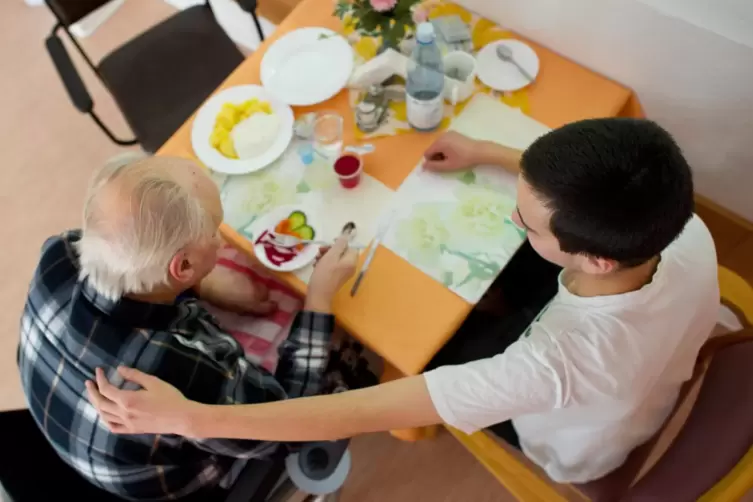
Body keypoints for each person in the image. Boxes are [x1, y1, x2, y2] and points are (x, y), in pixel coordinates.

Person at [86, 118, 719, 484]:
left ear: (595, 257)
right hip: (660, 352)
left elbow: (355, 411)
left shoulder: (549, 367)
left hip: (576, 444)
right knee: (504, 283)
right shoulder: (680, 223)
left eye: (527, 222)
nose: (516, 220)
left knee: (436, 344)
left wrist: (193, 418)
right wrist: (488, 153)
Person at [17, 154, 359, 501]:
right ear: (182, 266)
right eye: (214, 230)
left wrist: (204, 285)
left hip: (64, 437)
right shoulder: (179, 367)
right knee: (343, 363)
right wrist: (318, 296)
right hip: (172, 487)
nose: (223, 243)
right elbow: (287, 422)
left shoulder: (58, 252)